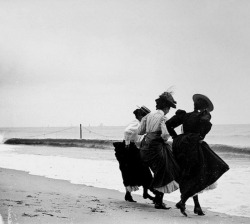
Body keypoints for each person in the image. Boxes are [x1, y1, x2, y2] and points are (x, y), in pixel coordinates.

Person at [166, 94, 230, 216]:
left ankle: (196, 206)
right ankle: (183, 201)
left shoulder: (185, 115)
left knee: (187, 174)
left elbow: (168, 124)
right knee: (201, 172)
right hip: (193, 146)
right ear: (205, 108)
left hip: (181, 146)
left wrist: (175, 137)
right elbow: (204, 131)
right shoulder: (203, 117)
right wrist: (200, 134)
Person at [137, 91, 180, 209]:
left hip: (145, 147)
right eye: (169, 108)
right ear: (166, 107)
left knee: (157, 172)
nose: (168, 111)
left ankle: (156, 199)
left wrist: (150, 131)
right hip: (156, 148)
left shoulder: (148, 115)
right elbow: (165, 135)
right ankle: (158, 202)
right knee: (163, 172)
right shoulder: (163, 117)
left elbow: (140, 131)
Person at [113, 106, 156, 203]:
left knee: (133, 170)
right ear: (141, 116)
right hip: (130, 148)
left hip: (133, 148)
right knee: (137, 170)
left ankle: (137, 193)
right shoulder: (136, 124)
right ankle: (141, 193)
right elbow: (127, 132)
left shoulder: (139, 123)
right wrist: (128, 145)